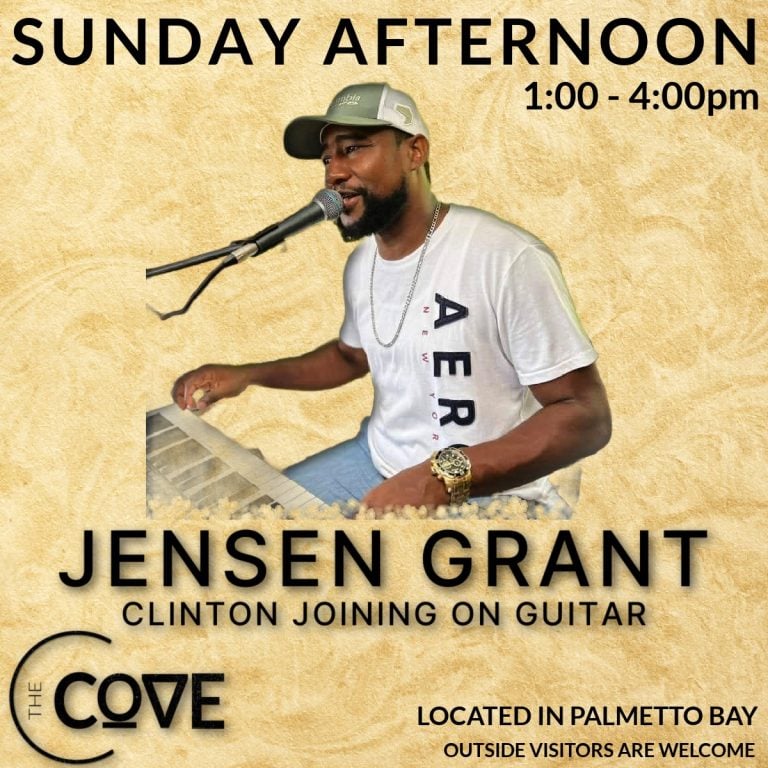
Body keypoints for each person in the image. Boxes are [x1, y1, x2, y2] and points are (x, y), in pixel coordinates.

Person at [172, 82, 611, 516]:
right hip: (375, 459)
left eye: (354, 148)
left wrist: (439, 477)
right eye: (328, 158)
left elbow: (585, 416)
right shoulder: (363, 263)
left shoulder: (506, 257)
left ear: (414, 152)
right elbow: (351, 356)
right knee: (252, 527)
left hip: (488, 489)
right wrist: (248, 374)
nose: (333, 173)